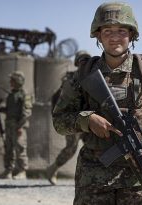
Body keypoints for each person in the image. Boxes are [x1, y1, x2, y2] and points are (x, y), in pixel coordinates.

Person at [52, 2, 142, 204]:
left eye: (121, 30)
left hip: (137, 179)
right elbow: (59, 120)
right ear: (98, 35)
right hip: (93, 180)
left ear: (131, 35)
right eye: (107, 31)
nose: (114, 37)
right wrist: (87, 119)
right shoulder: (83, 75)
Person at [45, 50, 91, 185]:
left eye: (86, 60)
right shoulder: (70, 79)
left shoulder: (95, 76)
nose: (84, 63)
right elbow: (59, 100)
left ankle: (89, 177)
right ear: (77, 63)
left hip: (91, 120)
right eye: (81, 60)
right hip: (74, 120)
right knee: (71, 148)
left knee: (93, 148)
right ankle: (53, 169)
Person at [0, 71, 32, 179]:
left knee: (20, 148)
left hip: (18, 126)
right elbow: (9, 110)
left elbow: (27, 112)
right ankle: (8, 170)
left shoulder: (25, 95)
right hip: (9, 125)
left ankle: (22, 171)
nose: (10, 82)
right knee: (8, 148)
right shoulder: (11, 94)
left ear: (18, 81)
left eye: (12, 80)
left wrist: (20, 126)